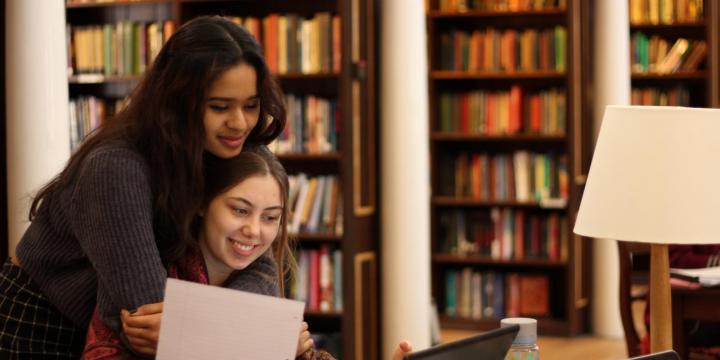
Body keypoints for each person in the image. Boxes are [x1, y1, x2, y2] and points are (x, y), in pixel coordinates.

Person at [0, 16, 286, 358]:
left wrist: (255, 327)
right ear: (178, 103)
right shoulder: (115, 167)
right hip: (42, 324)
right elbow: (147, 318)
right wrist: (262, 330)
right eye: (219, 106)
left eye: (251, 105)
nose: (239, 122)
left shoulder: (232, 147)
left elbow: (262, 271)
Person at [85, 146, 413, 360]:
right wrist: (267, 345)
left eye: (271, 217)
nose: (255, 230)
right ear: (202, 203)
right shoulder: (150, 279)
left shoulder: (261, 284)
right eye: (240, 211)